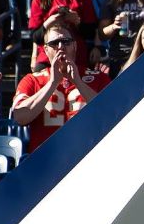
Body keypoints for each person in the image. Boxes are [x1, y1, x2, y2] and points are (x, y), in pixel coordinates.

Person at [11, 23, 110, 152]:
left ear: (75, 46)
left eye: (66, 42)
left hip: (88, 156)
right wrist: (52, 83)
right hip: (46, 159)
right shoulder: (32, 80)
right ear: (46, 50)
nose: (61, 47)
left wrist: (78, 82)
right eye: (54, 43)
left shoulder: (98, 78)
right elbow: (20, 117)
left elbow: (110, 113)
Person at [28, 0, 99, 71]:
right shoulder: (39, 1)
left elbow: (91, 33)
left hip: (77, 58)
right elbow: (35, 37)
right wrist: (48, 23)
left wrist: (77, 22)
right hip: (47, 59)